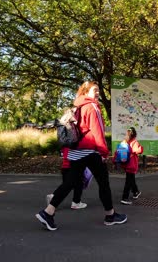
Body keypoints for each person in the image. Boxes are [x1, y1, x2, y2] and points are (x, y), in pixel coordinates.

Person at [36, 81, 127, 231]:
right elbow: (97, 132)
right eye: (95, 90)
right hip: (90, 151)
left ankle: (48, 212)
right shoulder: (92, 107)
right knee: (103, 183)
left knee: (70, 183)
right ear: (85, 92)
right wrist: (104, 152)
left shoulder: (78, 107)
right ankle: (110, 216)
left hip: (76, 151)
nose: (97, 93)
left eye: (98, 90)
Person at [116, 127, 144, 205]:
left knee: (131, 179)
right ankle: (124, 198)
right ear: (135, 134)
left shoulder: (124, 142)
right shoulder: (134, 142)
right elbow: (139, 150)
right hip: (132, 164)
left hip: (125, 163)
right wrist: (141, 148)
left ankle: (135, 192)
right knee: (128, 181)